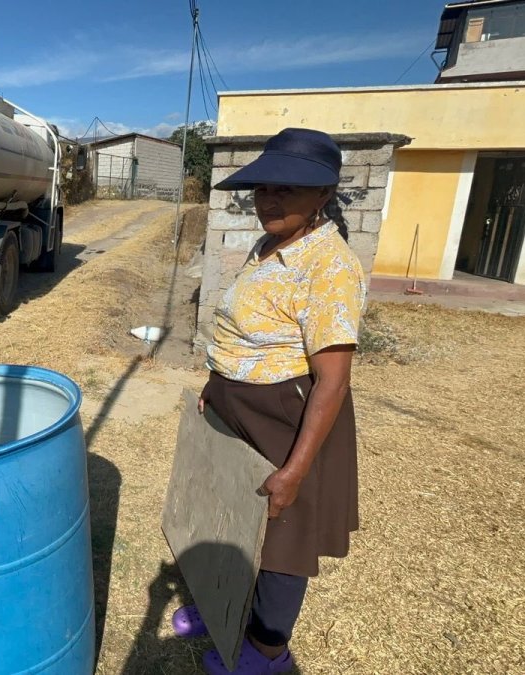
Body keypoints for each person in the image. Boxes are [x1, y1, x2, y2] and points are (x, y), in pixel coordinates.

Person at [171, 128, 366, 674]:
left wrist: (298, 468)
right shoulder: (267, 246)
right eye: (263, 189)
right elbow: (240, 330)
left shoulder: (329, 265)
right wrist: (217, 384)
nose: (270, 201)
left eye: (289, 190)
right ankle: (223, 603)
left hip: (287, 415)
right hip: (239, 407)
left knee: (283, 535)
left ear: (323, 196)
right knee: (232, 513)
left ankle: (267, 649)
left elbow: (333, 380)